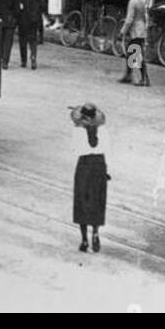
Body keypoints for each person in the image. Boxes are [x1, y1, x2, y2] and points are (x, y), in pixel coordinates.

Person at [70, 102, 109, 253]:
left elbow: (76, 150)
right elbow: (107, 150)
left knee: (82, 201)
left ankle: (84, 240)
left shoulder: (78, 131)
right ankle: (96, 233)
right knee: (97, 201)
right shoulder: (103, 130)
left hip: (84, 166)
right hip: (99, 165)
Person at [116, 0, 151, 87]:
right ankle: (128, 75)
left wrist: (122, 32)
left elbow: (129, 19)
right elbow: (144, 17)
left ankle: (144, 79)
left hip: (136, 31)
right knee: (131, 54)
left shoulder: (132, 2)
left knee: (135, 55)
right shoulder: (140, 1)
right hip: (141, 30)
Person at [15, 0, 46, 70]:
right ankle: (33, 56)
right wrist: (38, 12)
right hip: (33, 18)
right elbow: (42, 3)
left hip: (22, 18)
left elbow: (15, 6)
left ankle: (23, 61)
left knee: (22, 39)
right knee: (33, 39)